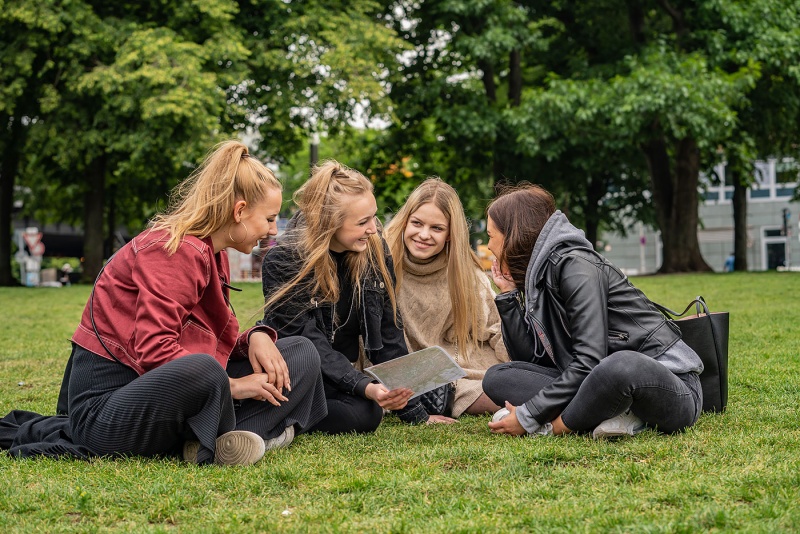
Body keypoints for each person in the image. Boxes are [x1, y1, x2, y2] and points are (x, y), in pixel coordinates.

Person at [0, 141, 327, 465]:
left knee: (298, 352)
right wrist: (234, 386)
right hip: (110, 407)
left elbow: (196, 340)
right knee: (206, 370)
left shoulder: (213, 252)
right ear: (239, 211)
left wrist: (256, 338)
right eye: (269, 219)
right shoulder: (173, 248)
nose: (273, 231)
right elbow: (157, 350)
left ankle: (225, 440)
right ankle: (250, 434)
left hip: (166, 388)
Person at [483, 184, 704, 439]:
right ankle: (609, 414)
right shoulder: (539, 277)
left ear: (513, 234)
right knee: (497, 377)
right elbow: (531, 362)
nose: (489, 246)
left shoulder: (576, 266)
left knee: (618, 366)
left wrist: (528, 416)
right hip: (595, 381)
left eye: (491, 235)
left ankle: (553, 428)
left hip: (668, 386)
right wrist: (509, 296)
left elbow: (590, 362)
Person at [260, 161, 455, 434]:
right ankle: (276, 418)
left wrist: (413, 411)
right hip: (296, 375)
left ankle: (287, 421)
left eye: (373, 218)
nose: (373, 229)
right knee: (361, 411)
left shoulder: (374, 250)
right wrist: (362, 385)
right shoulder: (285, 260)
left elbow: (389, 335)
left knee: (366, 414)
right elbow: (308, 342)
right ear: (329, 224)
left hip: (339, 379)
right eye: (363, 222)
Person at [384, 178, 509, 417]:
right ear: (405, 221)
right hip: (402, 372)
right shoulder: (381, 263)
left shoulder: (465, 274)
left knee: (504, 393)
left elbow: (496, 327)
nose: (423, 234)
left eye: (437, 228)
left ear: (451, 233)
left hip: (462, 370)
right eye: (417, 223)